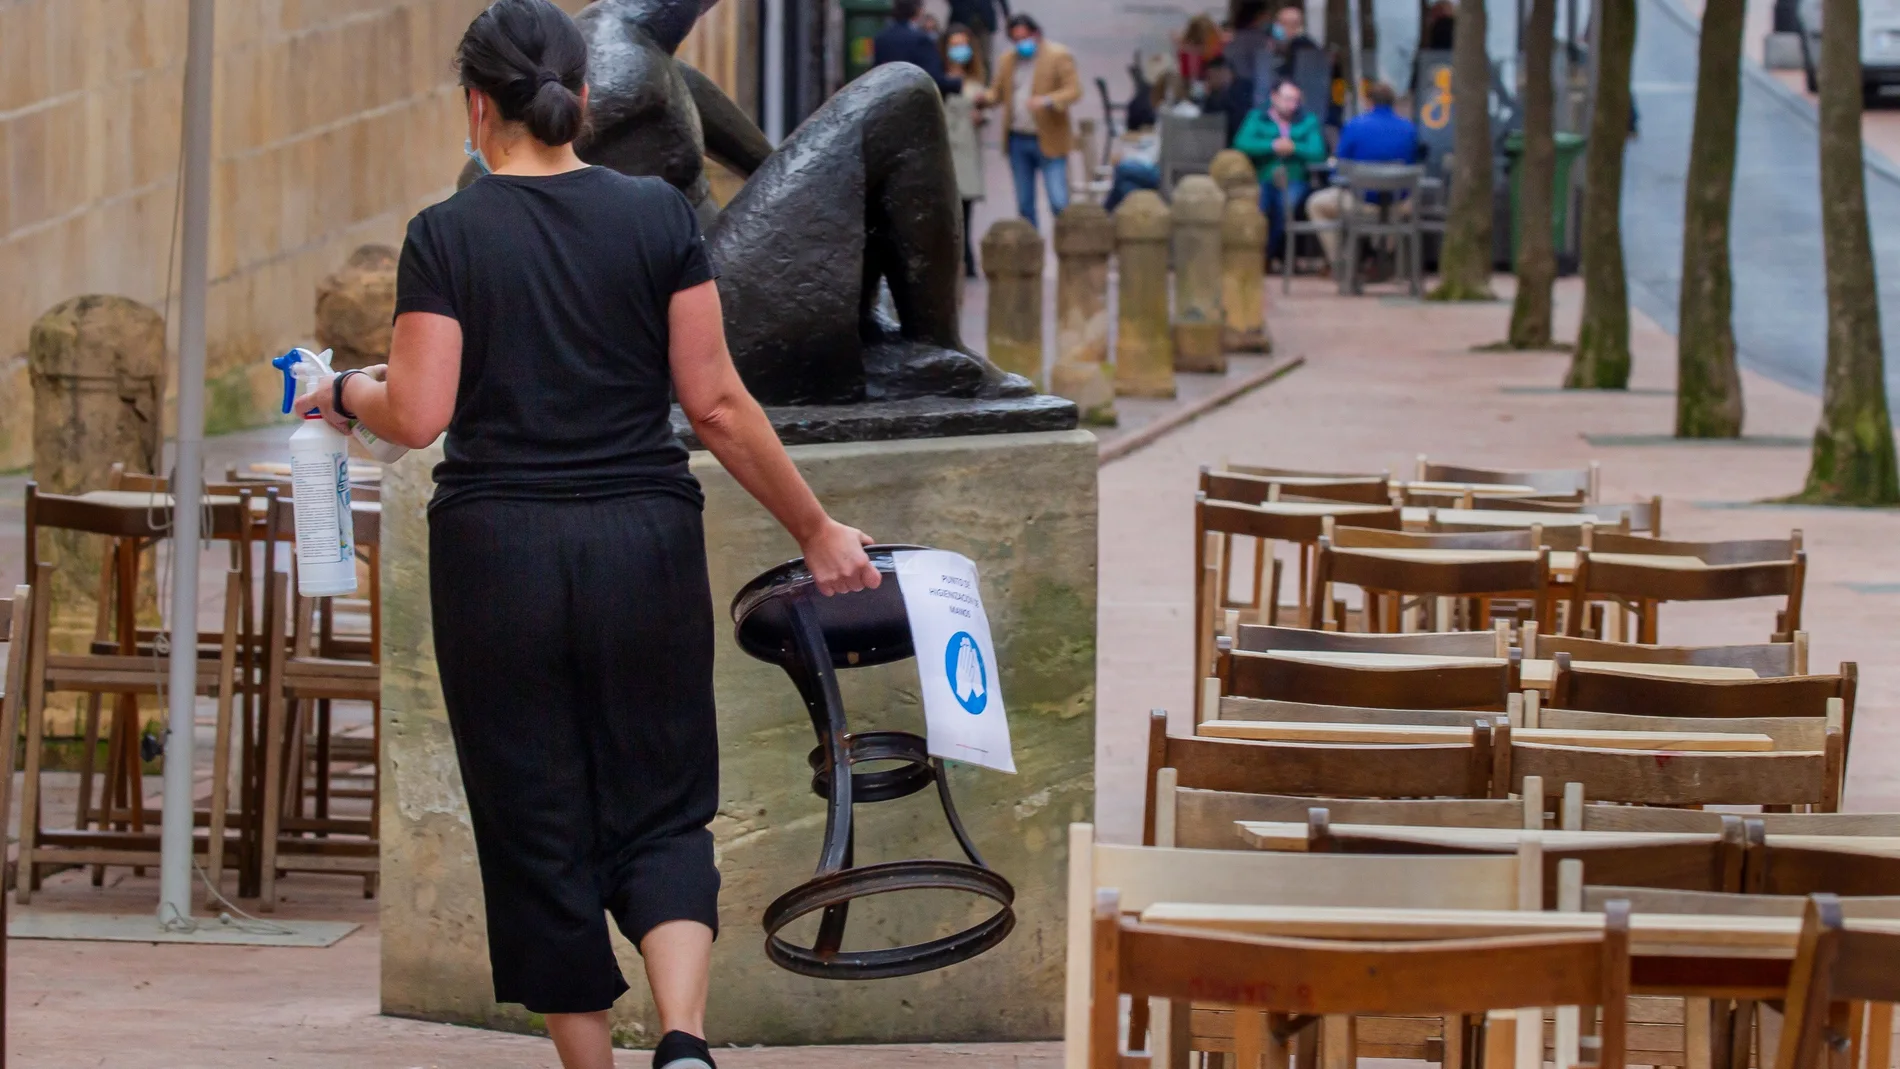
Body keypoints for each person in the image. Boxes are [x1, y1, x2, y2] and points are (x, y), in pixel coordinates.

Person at [299, 3, 881, 1068]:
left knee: (535, 819)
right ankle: (686, 1042)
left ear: (478, 104)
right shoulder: (659, 220)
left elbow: (420, 411)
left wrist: (342, 390)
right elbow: (715, 406)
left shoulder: (448, 232)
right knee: (661, 801)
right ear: (582, 98)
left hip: (499, 556)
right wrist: (818, 528)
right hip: (641, 544)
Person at [1303, 80, 1420, 267]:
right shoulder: (1409, 129)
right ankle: (1382, 259)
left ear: (1369, 102)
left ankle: (1340, 262)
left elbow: (1339, 168)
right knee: (1398, 204)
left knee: (1316, 204)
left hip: (1360, 203)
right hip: (1398, 204)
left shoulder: (1355, 126)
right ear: (1393, 103)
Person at [991, 13, 1081, 227]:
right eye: (1016, 39)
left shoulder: (1058, 56)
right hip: (1018, 139)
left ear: (1036, 34)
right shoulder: (1007, 60)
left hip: (1049, 138)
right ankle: (1032, 253)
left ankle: (1067, 251)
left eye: (1025, 37)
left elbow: (1074, 90)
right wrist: (977, 99)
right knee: (1024, 205)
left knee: (1058, 201)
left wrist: (1048, 100)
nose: (1021, 44)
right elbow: (997, 93)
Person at [1233, 79, 1327, 261]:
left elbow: (1318, 151)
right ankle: (1259, 256)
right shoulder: (1257, 118)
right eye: (1287, 99)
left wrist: (1293, 147)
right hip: (1263, 177)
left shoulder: (1308, 121)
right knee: (1259, 207)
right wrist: (1272, 145)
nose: (1292, 105)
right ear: (1274, 97)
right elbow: (1241, 144)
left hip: (1295, 179)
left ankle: (1268, 256)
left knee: (1286, 206)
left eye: (1296, 100)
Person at [941, 24, 992, 276]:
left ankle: (966, 260)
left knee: (965, 208)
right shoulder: (939, 78)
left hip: (967, 153)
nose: (959, 50)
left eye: (963, 44)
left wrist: (981, 115)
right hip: (944, 151)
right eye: (954, 44)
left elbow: (986, 108)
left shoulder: (976, 79)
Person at [873, 0, 963, 96]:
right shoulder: (921, 40)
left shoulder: (881, 38)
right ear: (918, 10)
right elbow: (932, 78)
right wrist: (958, 83)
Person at [1256, 2, 1323, 110]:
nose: (1276, 26)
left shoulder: (1304, 46)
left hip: (1297, 105)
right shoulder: (1276, 45)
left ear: (1294, 25)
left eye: (1281, 23)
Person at [948, 0, 1011, 69]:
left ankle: (984, 78)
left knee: (985, 57)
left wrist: (1007, 14)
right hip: (962, 20)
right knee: (961, 54)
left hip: (984, 21)